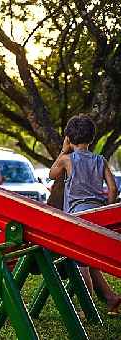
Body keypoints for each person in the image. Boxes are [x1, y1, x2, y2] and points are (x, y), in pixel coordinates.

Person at [49, 114, 120, 315]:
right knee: (87, 260)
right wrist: (106, 209)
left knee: (80, 264)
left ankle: (86, 307)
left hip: (77, 217)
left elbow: (51, 174)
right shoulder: (100, 160)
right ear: (92, 138)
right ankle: (111, 298)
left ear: (69, 139)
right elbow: (113, 189)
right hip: (97, 215)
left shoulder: (67, 159)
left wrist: (63, 151)